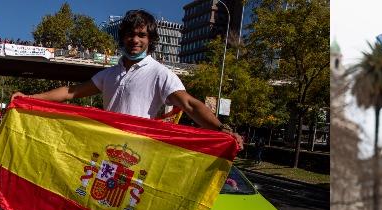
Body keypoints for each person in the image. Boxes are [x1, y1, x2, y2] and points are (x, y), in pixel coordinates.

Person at [13, 10, 241, 148]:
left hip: (137, 155)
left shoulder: (160, 73)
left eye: (142, 35)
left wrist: (222, 130)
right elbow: (71, 92)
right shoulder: (109, 74)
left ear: (150, 40)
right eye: (130, 34)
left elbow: (190, 104)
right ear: (122, 38)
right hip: (103, 150)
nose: (135, 40)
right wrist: (29, 98)